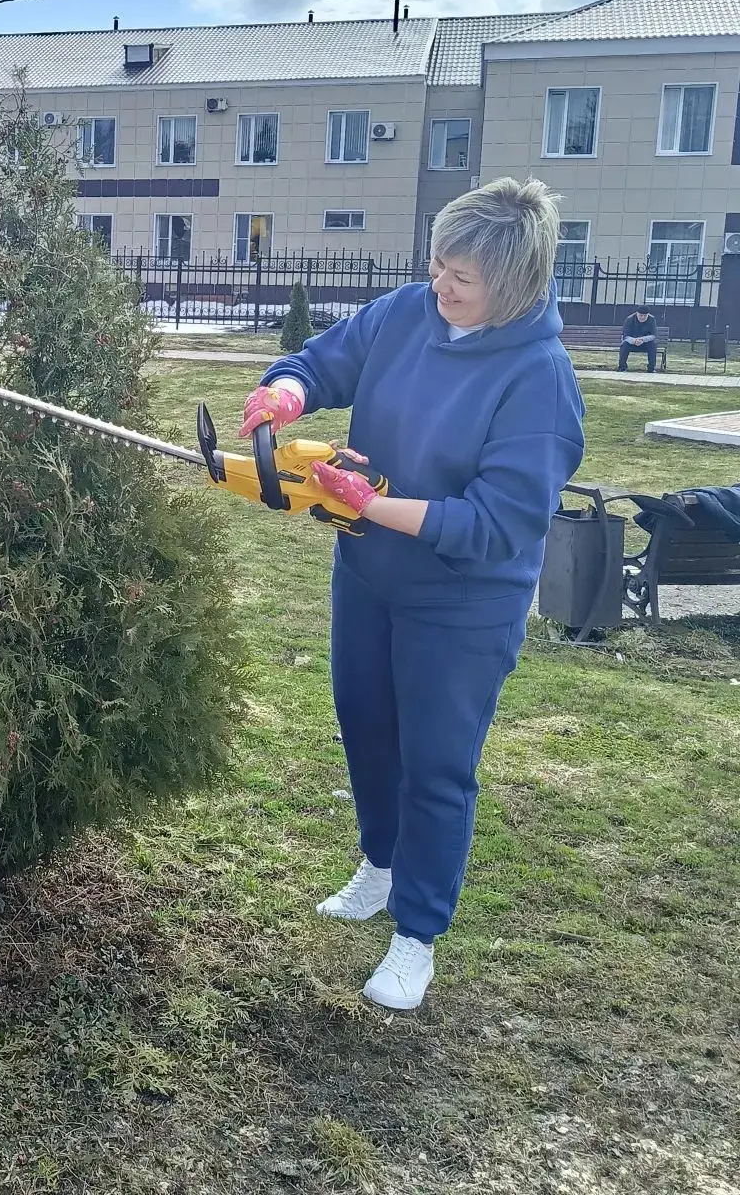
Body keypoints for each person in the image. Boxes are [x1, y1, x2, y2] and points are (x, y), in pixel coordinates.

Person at [243, 177, 584, 1011]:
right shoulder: (407, 314)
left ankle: (416, 933)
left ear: (510, 288)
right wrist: (287, 389)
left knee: (437, 765)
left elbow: (496, 525)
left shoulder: (539, 380)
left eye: (460, 279)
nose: (441, 287)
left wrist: (372, 503)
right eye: (437, 266)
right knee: (365, 724)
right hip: (368, 576)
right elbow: (327, 359)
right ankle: (380, 864)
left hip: (462, 603)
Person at [619, 306, 658, 372]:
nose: (642, 317)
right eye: (640, 315)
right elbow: (625, 336)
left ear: (648, 315)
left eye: (645, 316)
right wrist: (634, 340)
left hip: (645, 343)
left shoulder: (652, 319)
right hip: (632, 343)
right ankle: (622, 368)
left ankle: (651, 368)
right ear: (637, 313)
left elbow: (653, 335)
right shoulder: (629, 319)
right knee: (624, 345)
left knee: (653, 345)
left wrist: (642, 340)